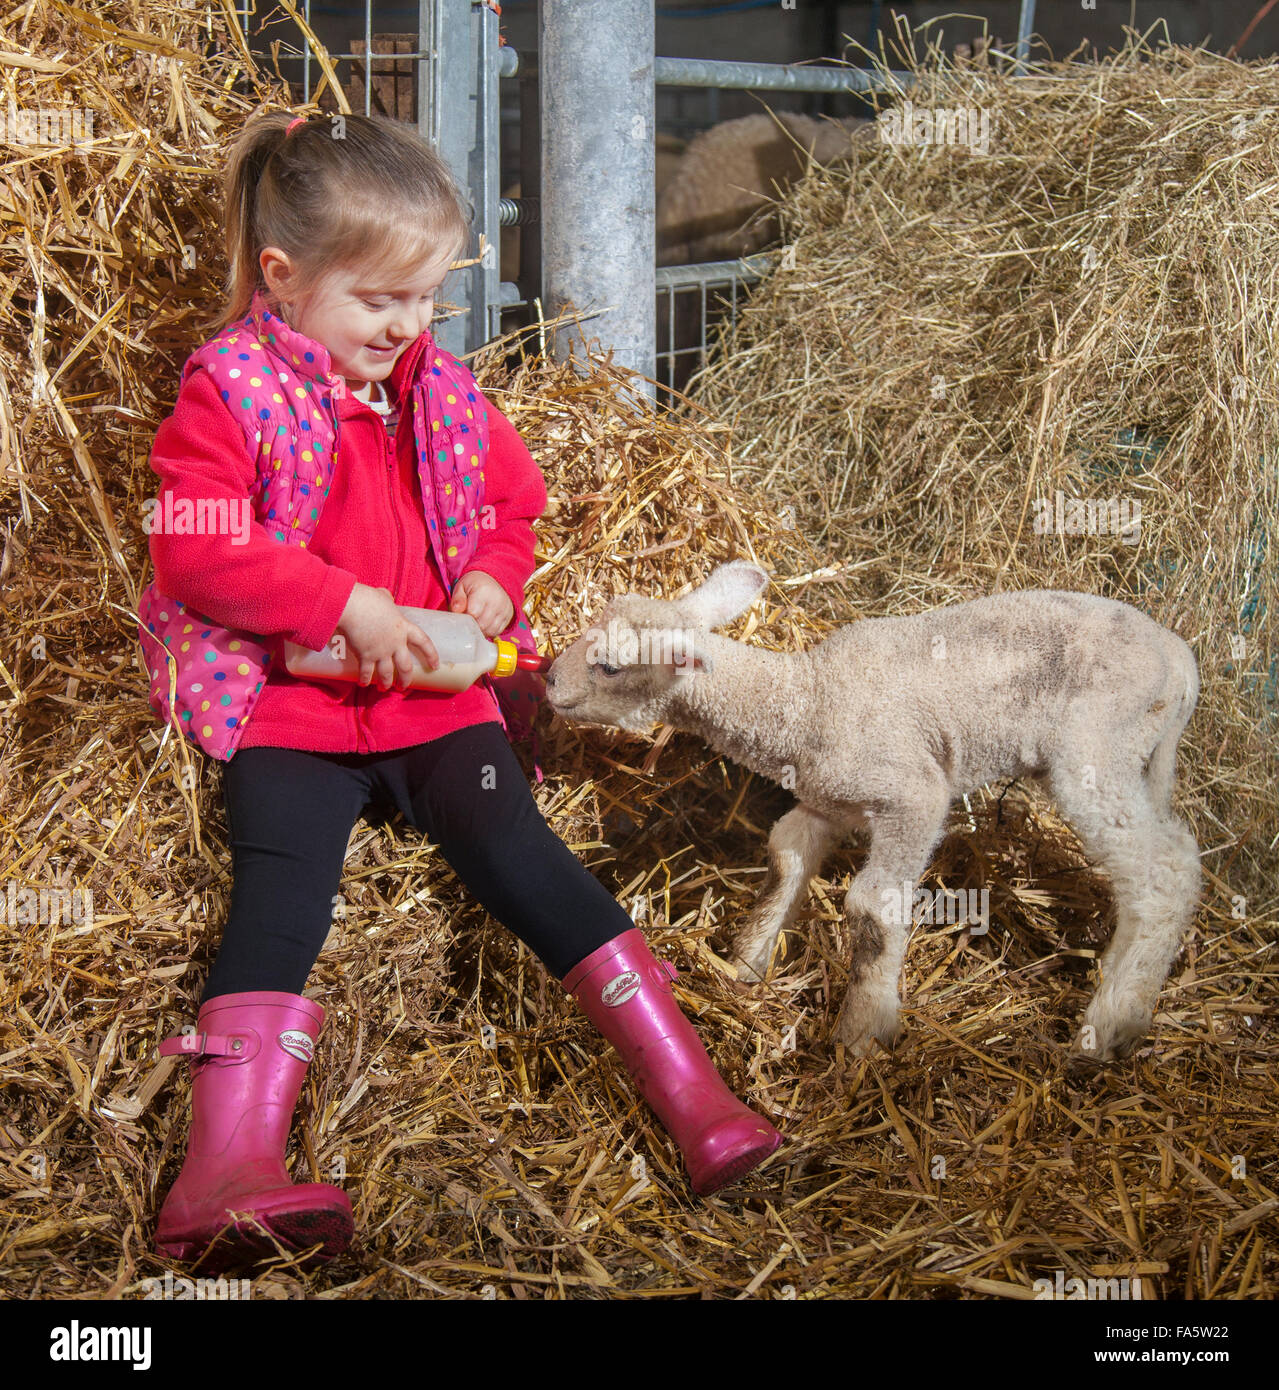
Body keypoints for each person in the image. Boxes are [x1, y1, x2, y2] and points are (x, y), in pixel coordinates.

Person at [138, 111, 781, 1270]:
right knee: (283, 893)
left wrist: (489, 578)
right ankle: (221, 1173)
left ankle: (696, 1099)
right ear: (283, 280)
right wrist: (341, 605)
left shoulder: (438, 388)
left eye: (428, 296)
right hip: (294, 704)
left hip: (436, 696)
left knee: (521, 851)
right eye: (380, 299)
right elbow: (195, 546)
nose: (409, 324)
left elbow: (510, 503)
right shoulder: (227, 388)